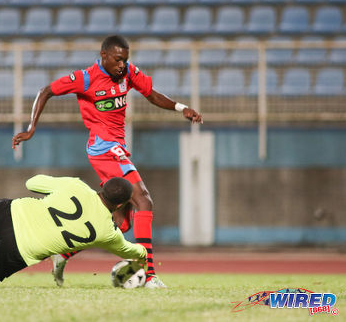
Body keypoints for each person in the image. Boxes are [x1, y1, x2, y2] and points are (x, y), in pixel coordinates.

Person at [12, 35, 203, 289]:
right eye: (117, 60)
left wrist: (181, 108)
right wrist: (31, 128)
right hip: (103, 149)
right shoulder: (86, 78)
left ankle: (64, 253)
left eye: (125, 59)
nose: (122, 65)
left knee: (121, 223)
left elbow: (151, 94)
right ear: (104, 56)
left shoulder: (127, 73)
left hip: (118, 149)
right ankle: (150, 274)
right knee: (143, 199)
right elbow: (45, 91)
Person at [0, 174, 146, 287]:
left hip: (11, 213)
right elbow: (129, 251)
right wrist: (143, 254)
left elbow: (32, 182)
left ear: (101, 186)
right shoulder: (106, 232)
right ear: (119, 205)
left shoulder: (75, 185)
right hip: (20, 249)